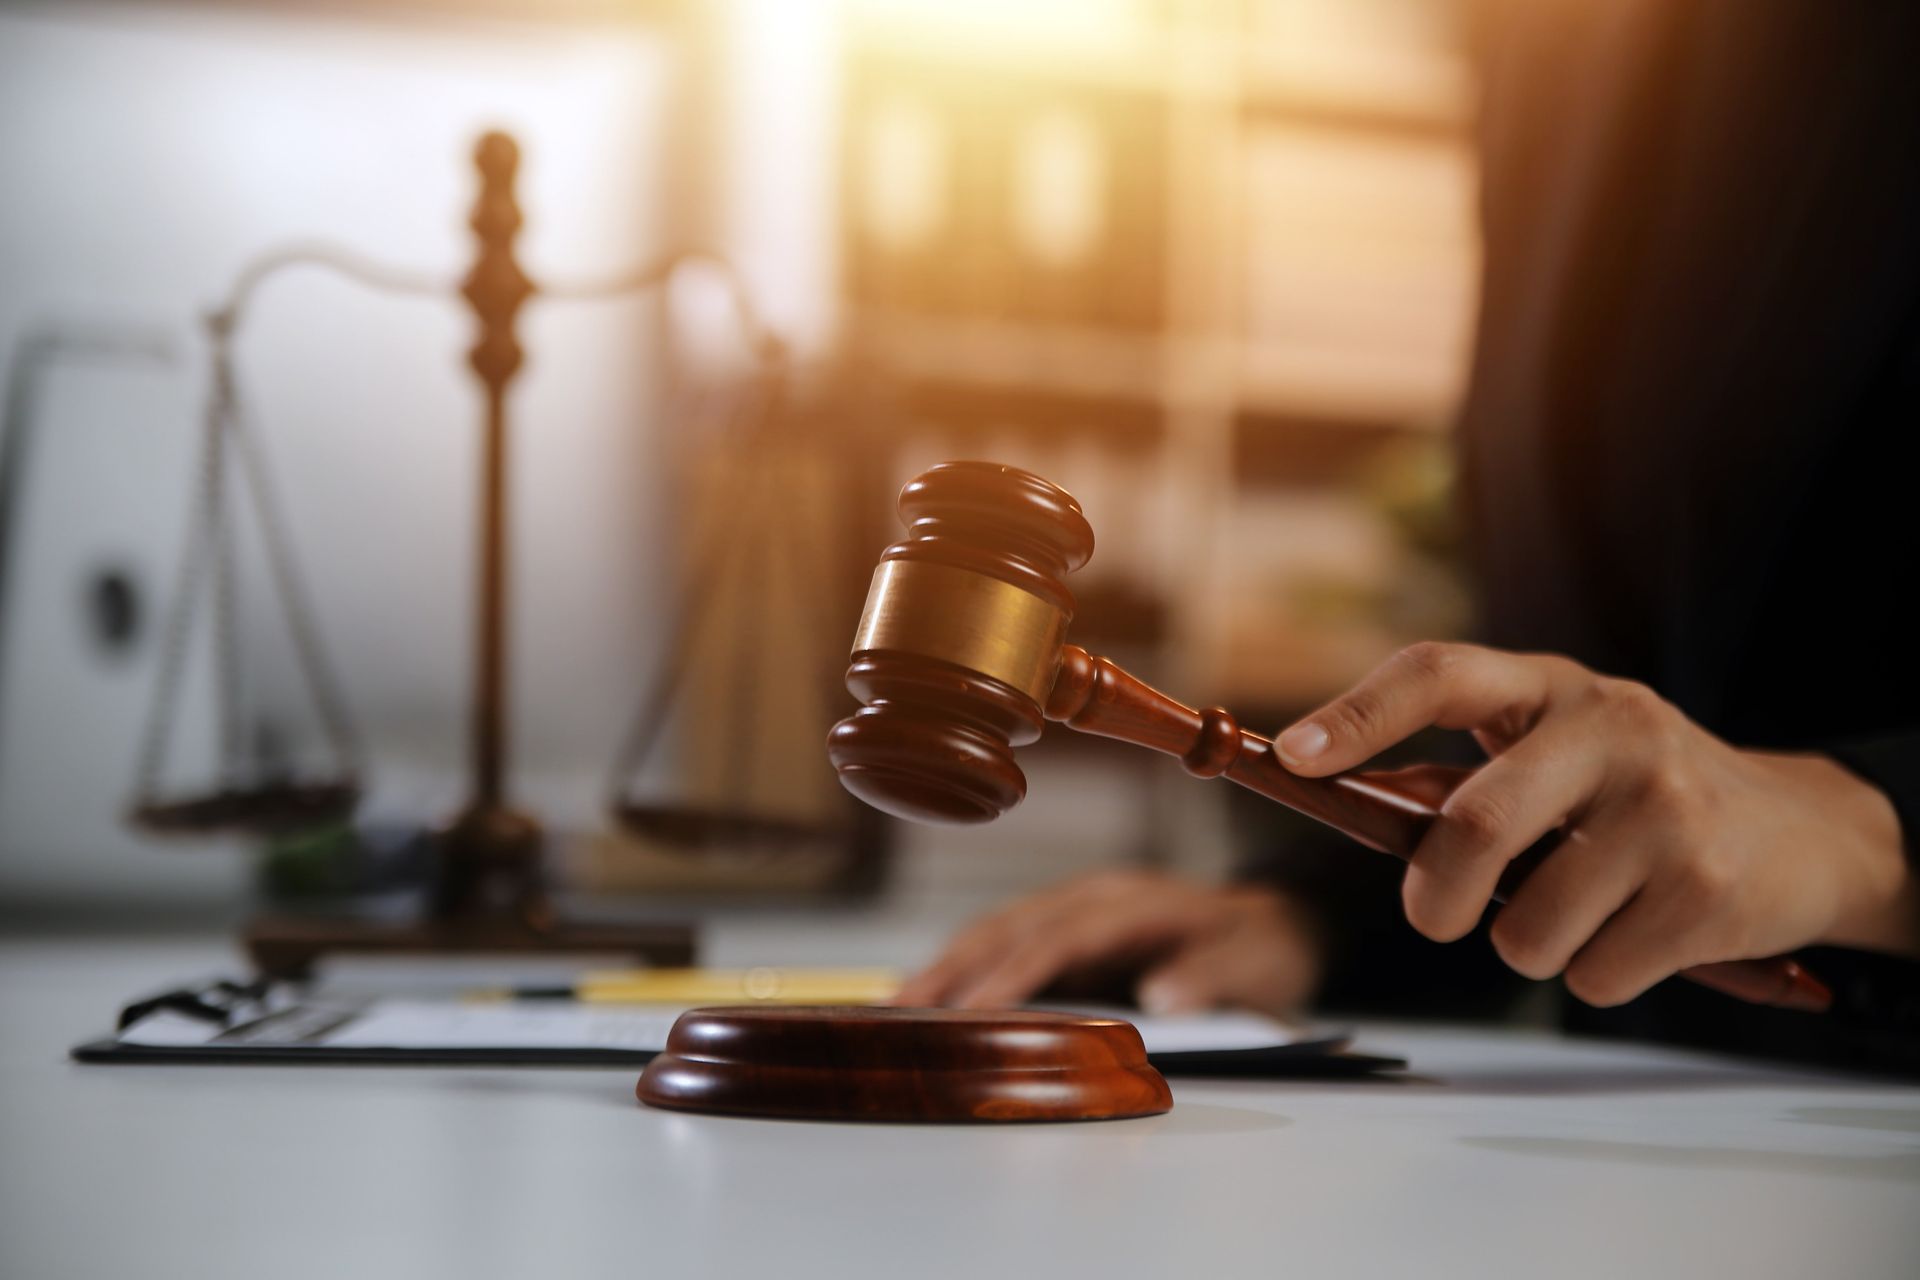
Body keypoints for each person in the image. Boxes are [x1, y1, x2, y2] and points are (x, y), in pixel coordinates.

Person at [897, 0, 1920, 1071]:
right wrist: (1314, 916)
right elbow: (1580, 724)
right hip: (1636, 1137)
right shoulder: (1548, 47)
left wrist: (1872, 831)